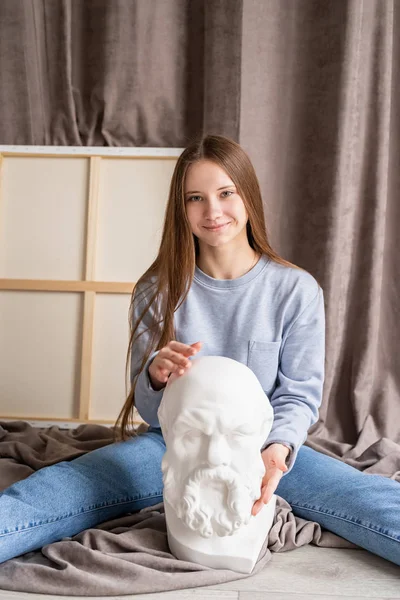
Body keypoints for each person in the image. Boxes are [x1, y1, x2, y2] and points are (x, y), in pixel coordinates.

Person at [0, 135, 399, 567]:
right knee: (55, 490)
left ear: (248, 196)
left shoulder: (294, 290)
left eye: (225, 193)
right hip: (173, 447)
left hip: (263, 450)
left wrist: (278, 451)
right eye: (195, 198)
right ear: (181, 208)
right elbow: (153, 412)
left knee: (369, 502)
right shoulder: (157, 290)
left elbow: (298, 393)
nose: (212, 211)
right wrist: (156, 375)